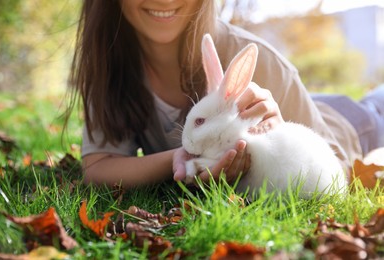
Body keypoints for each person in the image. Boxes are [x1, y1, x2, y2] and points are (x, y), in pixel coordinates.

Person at [64, 0, 384, 188]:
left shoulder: (257, 59)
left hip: (351, 124)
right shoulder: (110, 62)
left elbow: (336, 166)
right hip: (320, 103)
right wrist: (179, 159)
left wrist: (281, 135)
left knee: (375, 107)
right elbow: (98, 166)